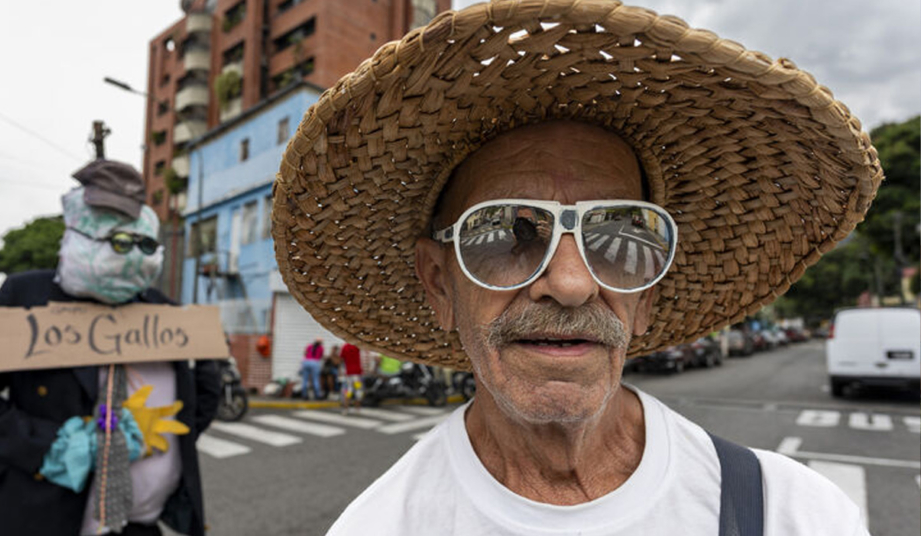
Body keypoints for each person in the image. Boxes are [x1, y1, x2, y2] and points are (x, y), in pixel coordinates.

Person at [271, 1, 881, 534]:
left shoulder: (795, 516)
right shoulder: (380, 527)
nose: (570, 284)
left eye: (618, 232)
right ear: (440, 285)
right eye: (507, 230)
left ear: (647, 295)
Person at [0, 159, 220, 536]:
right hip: (35, 518)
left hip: (136, 524)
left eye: (140, 241)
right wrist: (54, 446)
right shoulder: (25, 295)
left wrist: (157, 431)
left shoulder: (165, 313)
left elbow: (203, 390)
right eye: (117, 239)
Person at [339, 342, 363, 415]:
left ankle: (346, 409)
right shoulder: (357, 345)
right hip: (357, 373)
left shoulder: (344, 347)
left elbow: (341, 359)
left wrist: (341, 370)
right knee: (358, 390)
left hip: (348, 373)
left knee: (348, 390)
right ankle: (357, 409)